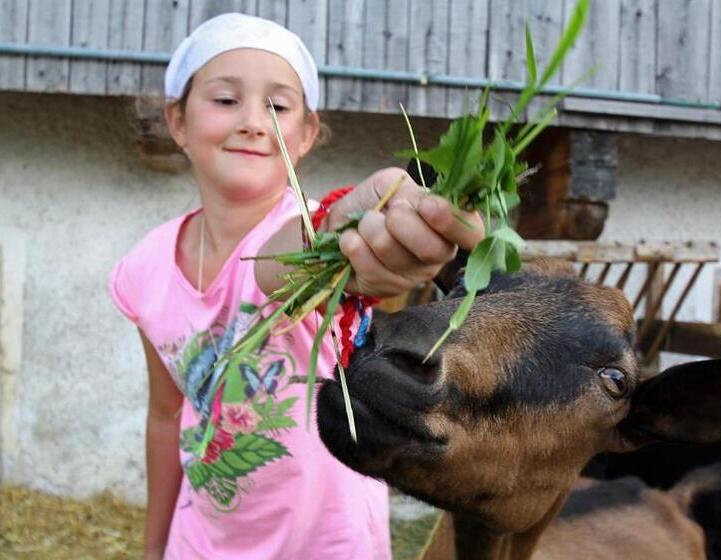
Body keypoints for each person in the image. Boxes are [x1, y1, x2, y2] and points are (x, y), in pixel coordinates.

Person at [109, 12, 483, 560]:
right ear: (178, 121)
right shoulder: (143, 270)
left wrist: (352, 222)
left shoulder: (302, 239)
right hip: (199, 545)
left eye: (278, 106)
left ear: (305, 134)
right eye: (225, 99)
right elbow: (167, 414)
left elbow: (291, 258)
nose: (254, 121)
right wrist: (154, 548)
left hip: (328, 547)